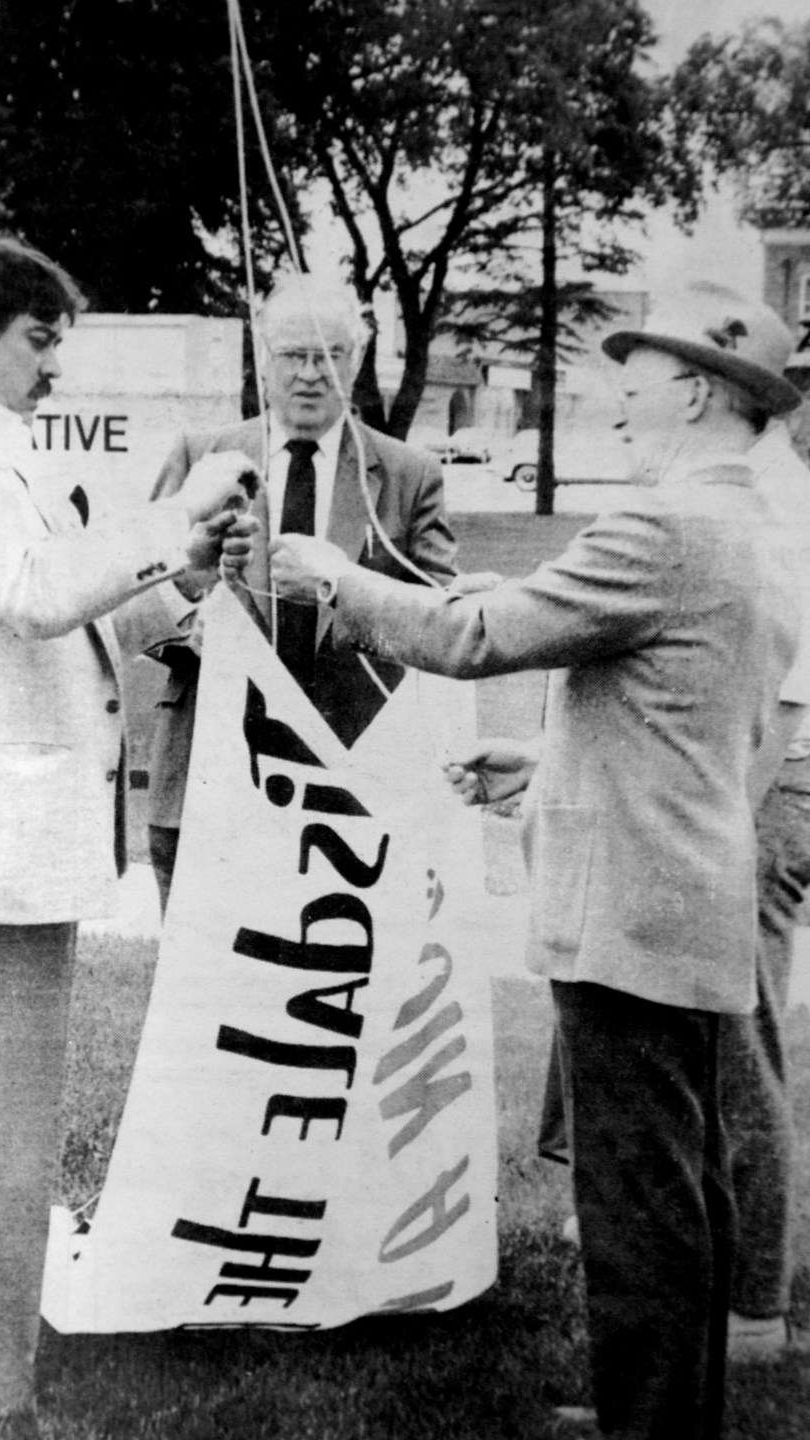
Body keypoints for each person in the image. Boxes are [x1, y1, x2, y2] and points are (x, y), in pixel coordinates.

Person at [269, 281, 804, 1440]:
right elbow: (678, 707)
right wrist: (547, 764)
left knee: (637, 1197)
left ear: (702, 394)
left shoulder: (666, 526)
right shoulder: (749, 522)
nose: (613, 405)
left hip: (630, 905)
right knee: (679, 1184)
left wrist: (331, 576)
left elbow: (474, 636)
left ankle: (648, 1424)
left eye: (635, 380)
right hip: (683, 888)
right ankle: (662, 1407)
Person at [0, 228, 256, 1432]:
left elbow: (74, 634)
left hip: (5, 827)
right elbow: (35, 596)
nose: (52, 367)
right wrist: (165, 519)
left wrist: (182, 574)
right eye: (37, 339)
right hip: (0, 834)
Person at [145, 271, 457, 913]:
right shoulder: (202, 456)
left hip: (350, 786)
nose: (311, 374)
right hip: (210, 769)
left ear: (359, 359)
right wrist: (193, 617)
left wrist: (343, 590)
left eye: (330, 355)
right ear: (263, 358)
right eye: (294, 355)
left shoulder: (408, 476)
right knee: (201, 999)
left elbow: (442, 623)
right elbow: (138, 587)